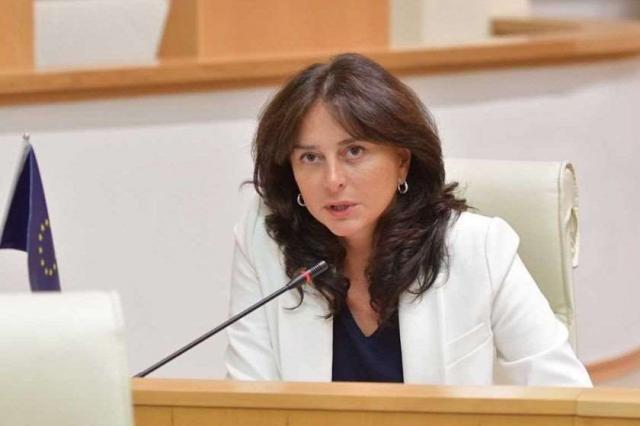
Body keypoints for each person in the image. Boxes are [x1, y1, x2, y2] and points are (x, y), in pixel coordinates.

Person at [224, 53, 592, 386]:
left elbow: (563, 392)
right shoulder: (264, 244)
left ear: (402, 161)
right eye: (310, 158)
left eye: (354, 151)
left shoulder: (478, 248)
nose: (332, 180)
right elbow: (247, 402)